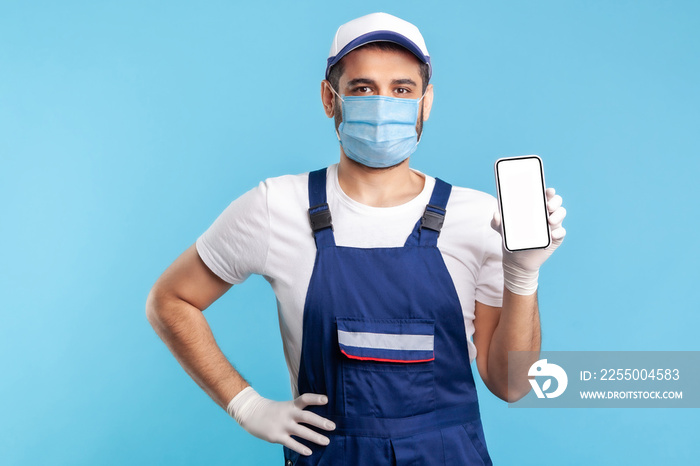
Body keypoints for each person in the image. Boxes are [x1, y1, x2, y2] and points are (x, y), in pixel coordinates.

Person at [146, 12, 566, 466]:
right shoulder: (276, 207)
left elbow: (512, 384)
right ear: (330, 99)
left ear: (426, 102)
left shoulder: (480, 217)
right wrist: (246, 405)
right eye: (363, 88)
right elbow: (170, 300)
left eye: (402, 89)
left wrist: (522, 273)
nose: (383, 105)